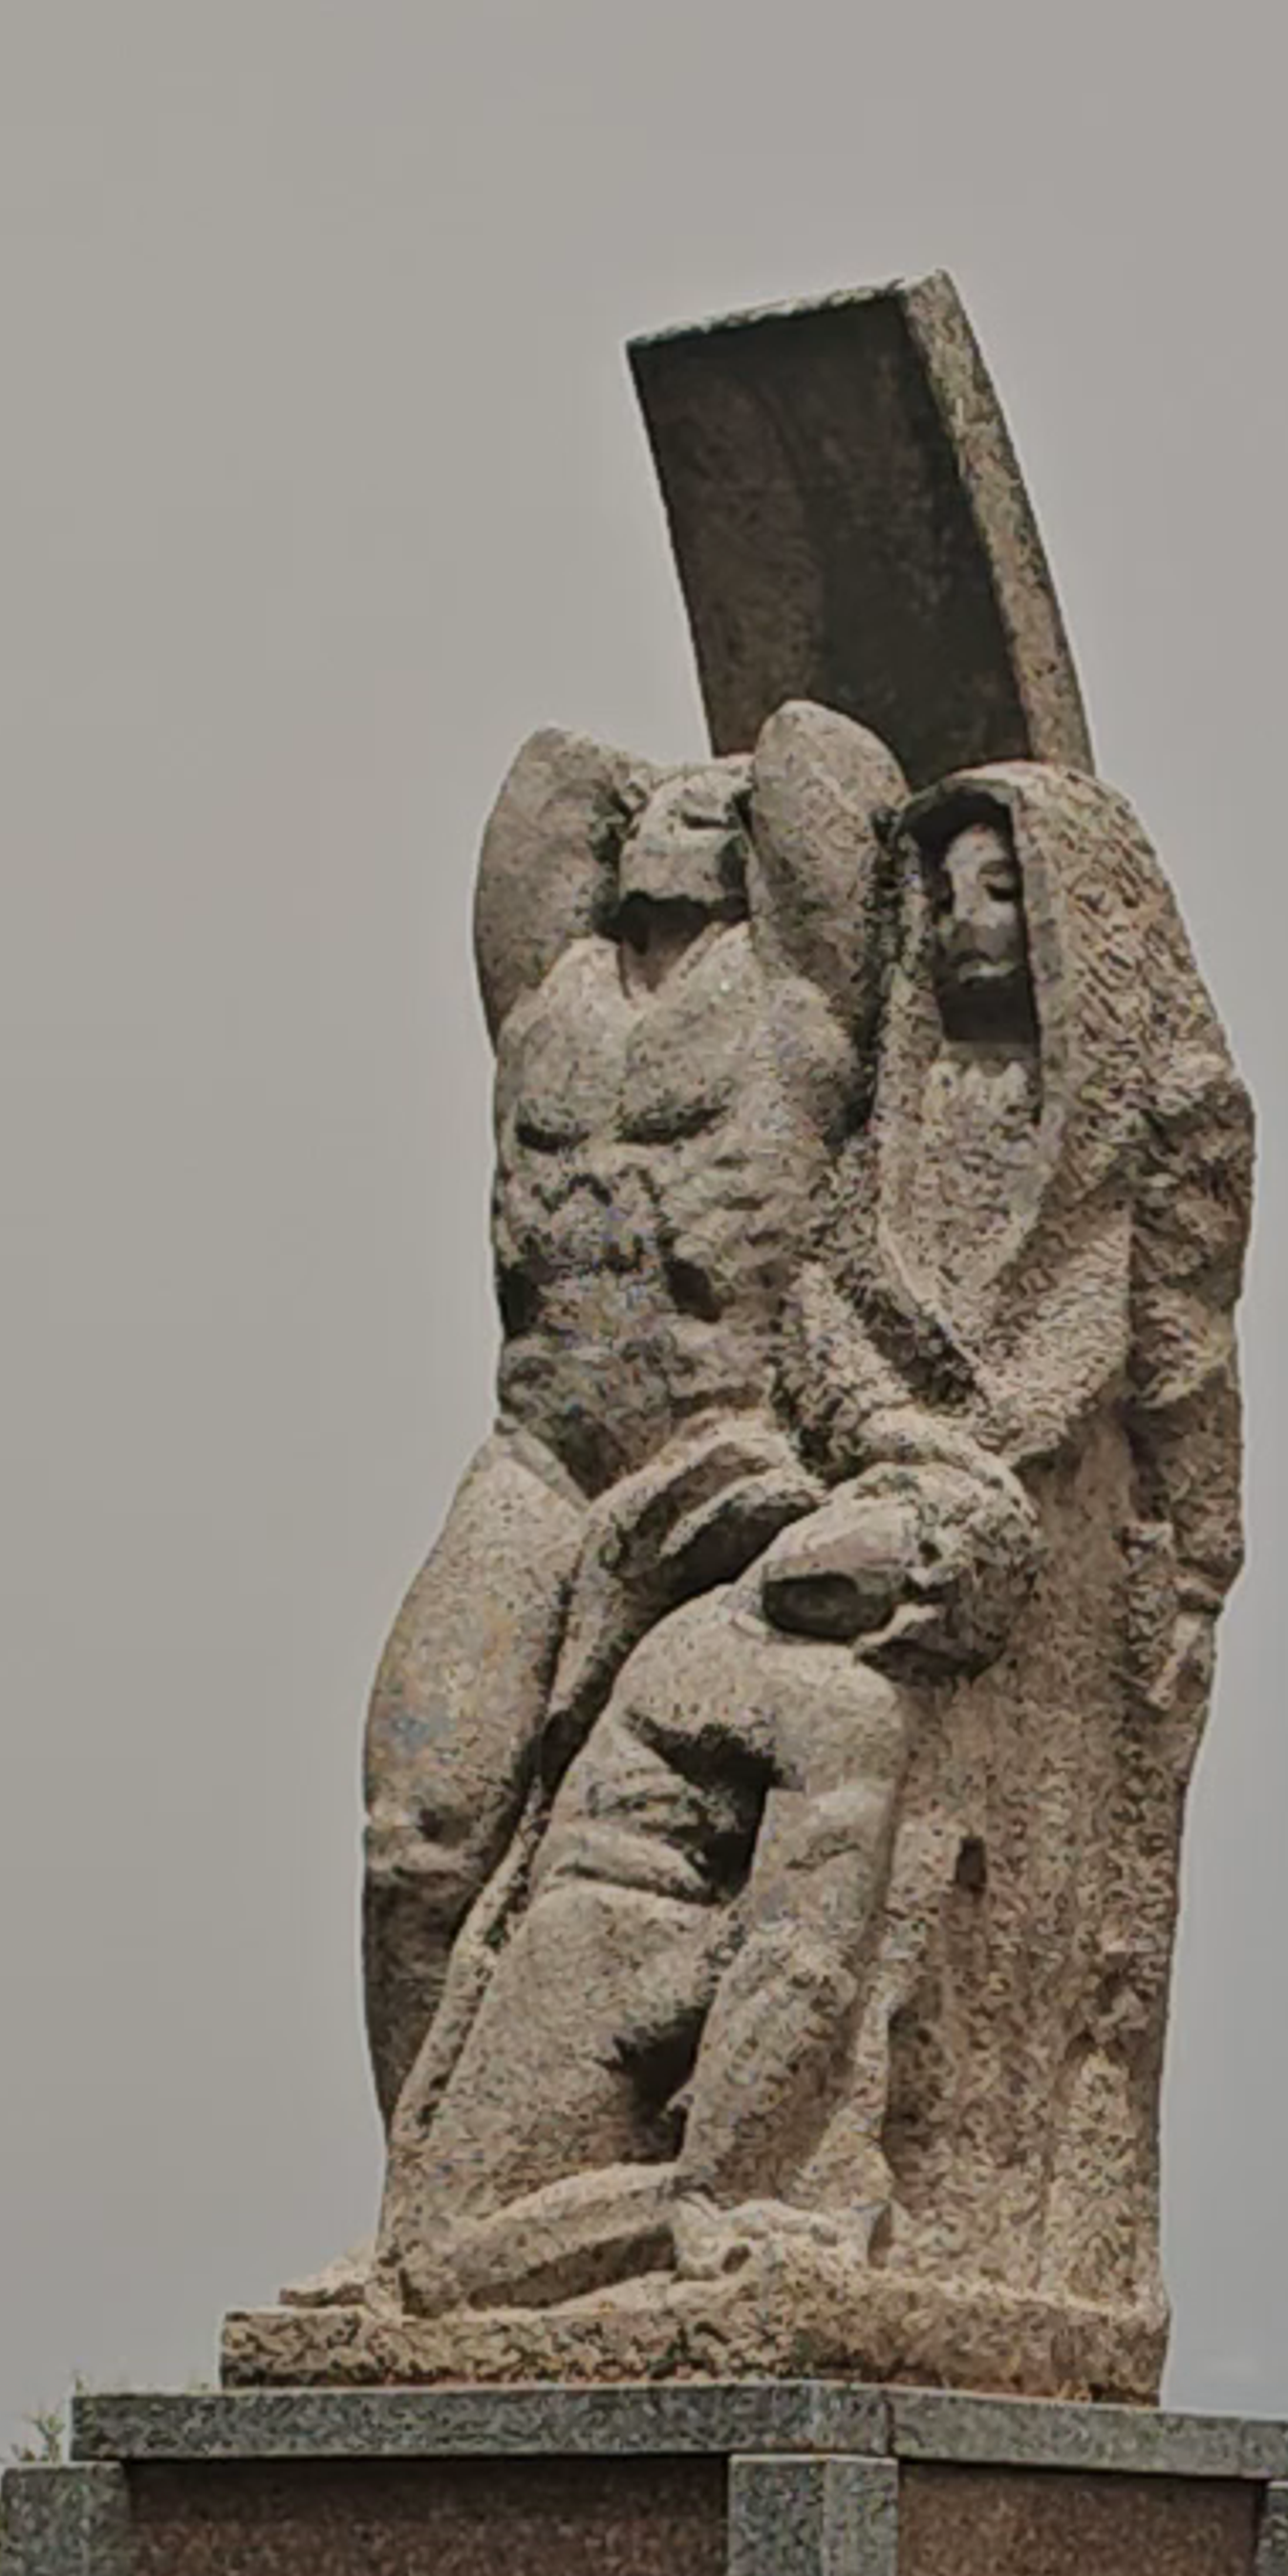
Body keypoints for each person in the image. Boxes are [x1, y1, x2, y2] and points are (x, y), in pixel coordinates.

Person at [357, 703, 904, 2114]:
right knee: (418, 1835)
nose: (681, 805)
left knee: (663, 1858)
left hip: (734, 1454)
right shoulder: (549, 1003)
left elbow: (824, 762)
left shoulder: (800, 1004)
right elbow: (544, 780)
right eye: (660, 797)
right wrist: (644, 784)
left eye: (723, 802)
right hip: (543, 1454)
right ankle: (424, 2200)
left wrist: (760, 734)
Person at [380, 1443, 1037, 2312]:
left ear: (931, 1605)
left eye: (928, 1544)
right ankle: (709, 2208)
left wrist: (716, 2185)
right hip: (567, 1952)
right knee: (442, 2254)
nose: (866, 1527)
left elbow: (801, 1962)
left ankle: (727, 2208)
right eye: (890, 1498)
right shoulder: (705, 1613)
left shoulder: (844, 1704)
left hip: (643, 1969)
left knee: (452, 2265)